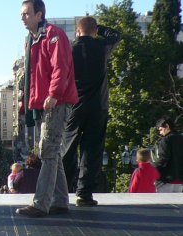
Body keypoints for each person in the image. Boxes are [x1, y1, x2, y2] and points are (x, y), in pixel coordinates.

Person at [16, 0, 79, 218]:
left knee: (47, 150)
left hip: (57, 101)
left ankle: (41, 203)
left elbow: (60, 66)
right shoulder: (32, 40)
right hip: (45, 102)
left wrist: (53, 94)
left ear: (39, 14)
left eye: (26, 14)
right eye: (21, 14)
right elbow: (32, 76)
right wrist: (26, 101)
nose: (22, 18)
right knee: (53, 152)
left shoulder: (54, 35)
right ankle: (60, 201)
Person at [62, 16, 121, 206]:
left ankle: (60, 191)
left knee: (68, 148)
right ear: (95, 31)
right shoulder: (102, 47)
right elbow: (116, 35)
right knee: (92, 150)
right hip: (98, 107)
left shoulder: (69, 49)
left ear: (77, 32)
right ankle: (84, 194)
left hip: (74, 106)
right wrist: (98, 29)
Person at [154, 117, 183, 193]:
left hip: (166, 180)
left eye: (160, 129)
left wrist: (153, 169)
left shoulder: (166, 140)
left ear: (167, 126)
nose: (160, 133)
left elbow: (163, 159)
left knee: (163, 204)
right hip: (180, 180)